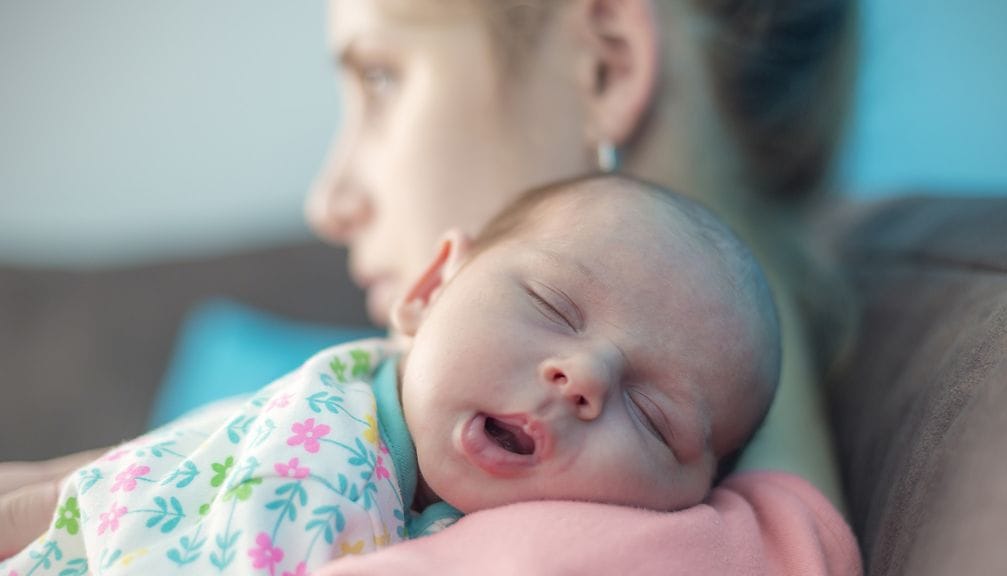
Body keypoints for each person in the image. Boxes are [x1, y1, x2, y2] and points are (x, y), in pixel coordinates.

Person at [1, 0, 859, 573]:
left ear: (602, 64)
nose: (328, 201)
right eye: (554, 307)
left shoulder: (685, 542)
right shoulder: (383, 408)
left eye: (380, 75)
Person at [2, 175, 798, 574]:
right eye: (553, 305)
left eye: (656, 419)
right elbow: (78, 494)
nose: (582, 375)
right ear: (428, 290)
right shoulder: (320, 400)